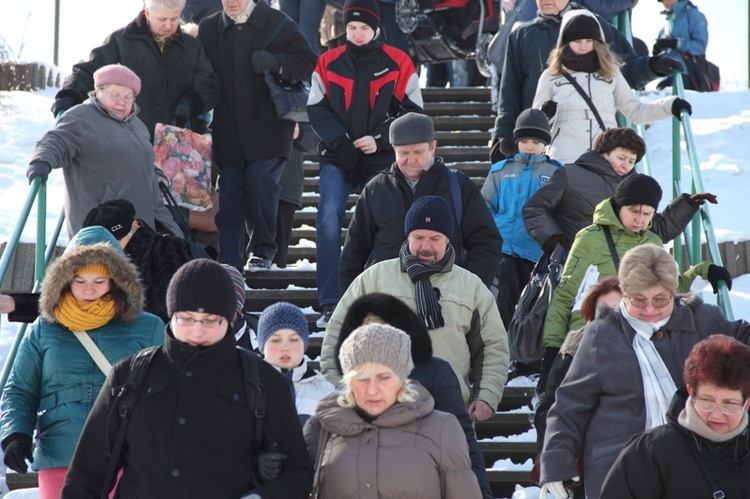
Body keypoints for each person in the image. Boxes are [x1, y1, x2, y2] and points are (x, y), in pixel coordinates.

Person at [61, 259, 313, 498]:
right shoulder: (129, 376)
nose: (197, 331)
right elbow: (86, 475)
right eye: (187, 319)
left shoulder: (264, 382)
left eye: (210, 321)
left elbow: (298, 474)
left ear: (230, 319)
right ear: (172, 314)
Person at [539, 244, 750, 499]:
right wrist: (556, 461)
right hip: (617, 469)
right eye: (639, 300)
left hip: (692, 468)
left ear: (674, 293)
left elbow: (741, 339)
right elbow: (570, 405)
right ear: (623, 293)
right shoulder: (601, 334)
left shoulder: (702, 320)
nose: (649, 310)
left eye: (660, 299)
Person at [0, 226, 164, 499]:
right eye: (79, 280)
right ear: (64, 280)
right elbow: (20, 389)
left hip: (125, 452)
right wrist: (15, 434)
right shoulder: (45, 328)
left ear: (116, 280)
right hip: (61, 453)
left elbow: (165, 389)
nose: (89, 289)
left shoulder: (147, 327)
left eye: (99, 281)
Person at [323, 196, 509, 421]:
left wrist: (486, 395)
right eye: (418, 237)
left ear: (448, 239)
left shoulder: (472, 287)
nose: (426, 246)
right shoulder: (373, 279)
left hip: (448, 409)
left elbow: (493, 346)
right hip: (381, 409)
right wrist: (346, 390)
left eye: (434, 238)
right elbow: (337, 336)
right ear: (407, 235)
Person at [308, 0, 423, 327]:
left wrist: (381, 138)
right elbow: (316, 109)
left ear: (376, 28)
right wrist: (340, 142)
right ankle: (331, 300)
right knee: (328, 214)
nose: (357, 34)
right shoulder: (328, 61)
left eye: (364, 28)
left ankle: (389, 295)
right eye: (352, 28)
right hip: (337, 154)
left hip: (382, 158)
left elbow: (414, 113)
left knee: (388, 219)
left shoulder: (399, 62)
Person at [542, 173, 730, 360]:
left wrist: (705, 271)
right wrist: (552, 347)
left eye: (647, 213)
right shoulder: (590, 238)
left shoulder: (652, 241)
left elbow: (670, 291)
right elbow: (566, 293)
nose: (640, 219)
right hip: (593, 331)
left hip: (639, 332)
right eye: (633, 211)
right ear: (618, 207)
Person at [334, 292, 494, 499]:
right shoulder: (350, 384)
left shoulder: (435, 371)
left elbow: (462, 443)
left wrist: (481, 493)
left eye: (383, 328)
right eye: (367, 329)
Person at [198, 0, 317, 272]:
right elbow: (201, 74)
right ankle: (229, 261)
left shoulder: (279, 23)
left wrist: (277, 63)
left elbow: (309, 62)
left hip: (271, 127)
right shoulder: (209, 28)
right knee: (230, 195)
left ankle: (263, 250)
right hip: (229, 129)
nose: (231, 1)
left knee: (261, 178)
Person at [489, 0, 682, 163]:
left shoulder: (594, 26)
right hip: (551, 149)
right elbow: (510, 92)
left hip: (601, 152)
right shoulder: (522, 35)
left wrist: (653, 66)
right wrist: (503, 134)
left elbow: (627, 70)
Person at [304, 323, 483, 498]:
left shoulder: (442, 428)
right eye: (362, 379)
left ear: (402, 377)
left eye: (384, 377)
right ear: (348, 381)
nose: (372, 390)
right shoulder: (321, 429)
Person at [338, 112, 502, 301]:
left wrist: (468, 289)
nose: (411, 160)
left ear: (433, 147)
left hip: (446, 298)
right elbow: (353, 254)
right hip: (385, 299)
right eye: (403, 153)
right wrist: (351, 305)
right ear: (393, 150)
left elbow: (486, 242)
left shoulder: (459, 186)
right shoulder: (376, 189)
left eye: (418, 152)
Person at [26, 64, 182, 238]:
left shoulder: (137, 125)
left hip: (144, 223)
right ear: (98, 92)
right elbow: (56, 141)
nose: (121, 102)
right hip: (105, 226)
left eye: (128, 97)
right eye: (115, 95)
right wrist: (41, 161)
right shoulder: (81, 118)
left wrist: (156, 175)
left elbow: (143, 160)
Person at [522, 127, 715, 253]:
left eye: (631, 161)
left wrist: (688, 204)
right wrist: (555, 242)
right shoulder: (569, 174)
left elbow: (657, 229)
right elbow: (535, 208)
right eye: (621, 158)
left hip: (619, 269)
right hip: (573, 264)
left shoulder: (634, 187)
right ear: (605, 152)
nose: (626, 165)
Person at [601, 335, 750, 498]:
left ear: (746, 404)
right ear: (691, 393)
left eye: (729, 404)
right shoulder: (651, 452)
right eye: (707, 400)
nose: (716, 414)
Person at [51, 0, 221, 139]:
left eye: (174, 19)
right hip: (131, 139)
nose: (168, 26)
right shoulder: (121, 41)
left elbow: (209, 83)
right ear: (147, 14)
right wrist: (69, 95)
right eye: (162, 19)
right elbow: (90, 70)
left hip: (178, 145)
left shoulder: (192, 47)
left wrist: (191, 101)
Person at [481, 108, 562, 327]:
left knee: (533, 302)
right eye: (525, 140)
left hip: (536, 250)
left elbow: (561, 209)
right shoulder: (500, 170)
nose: (529, 146)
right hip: (504, 246)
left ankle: (526, 353)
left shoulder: (556, 172)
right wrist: (495, 229)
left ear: (545, 144)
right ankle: (503, 346)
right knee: (502, 295)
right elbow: (485, 206)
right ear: (516, 141)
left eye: (536, 142)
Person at [534, 276, 622, 450]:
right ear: (590, 318)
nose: (610, 319)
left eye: (617, 310)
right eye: (602, 313)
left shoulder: (646, 349)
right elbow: (545, 417)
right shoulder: (573, 352)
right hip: (585, 457)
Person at [258, 302, 334, 425]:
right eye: (276, 340)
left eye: (293, 339)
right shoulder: (248, 387)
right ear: (262, 345)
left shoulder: (324, 391)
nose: (285, 347)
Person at [274, 123, 319, 269]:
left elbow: (317, 139)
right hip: (244, 181)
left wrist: (299, 133)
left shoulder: (299, 101)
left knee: (276, 259)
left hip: (285, 183)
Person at [653, 0, 710, 91]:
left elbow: (700, 46)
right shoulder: (665, 27)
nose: (663, 1)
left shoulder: (693, 15)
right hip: (664, 78)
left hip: (684, 75)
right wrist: (657, 51)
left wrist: (677, 43)